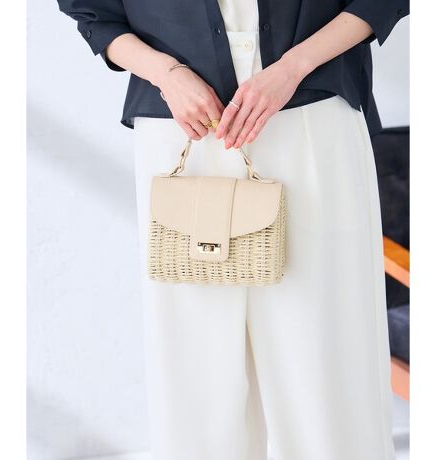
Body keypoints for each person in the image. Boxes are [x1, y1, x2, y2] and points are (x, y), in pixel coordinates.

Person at [57, 1, 409, 459]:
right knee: (197, 373)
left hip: (313, 115)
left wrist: (292, 67)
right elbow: (89, 8)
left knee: (324, 362)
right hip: (183, 128)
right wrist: (166, 74)